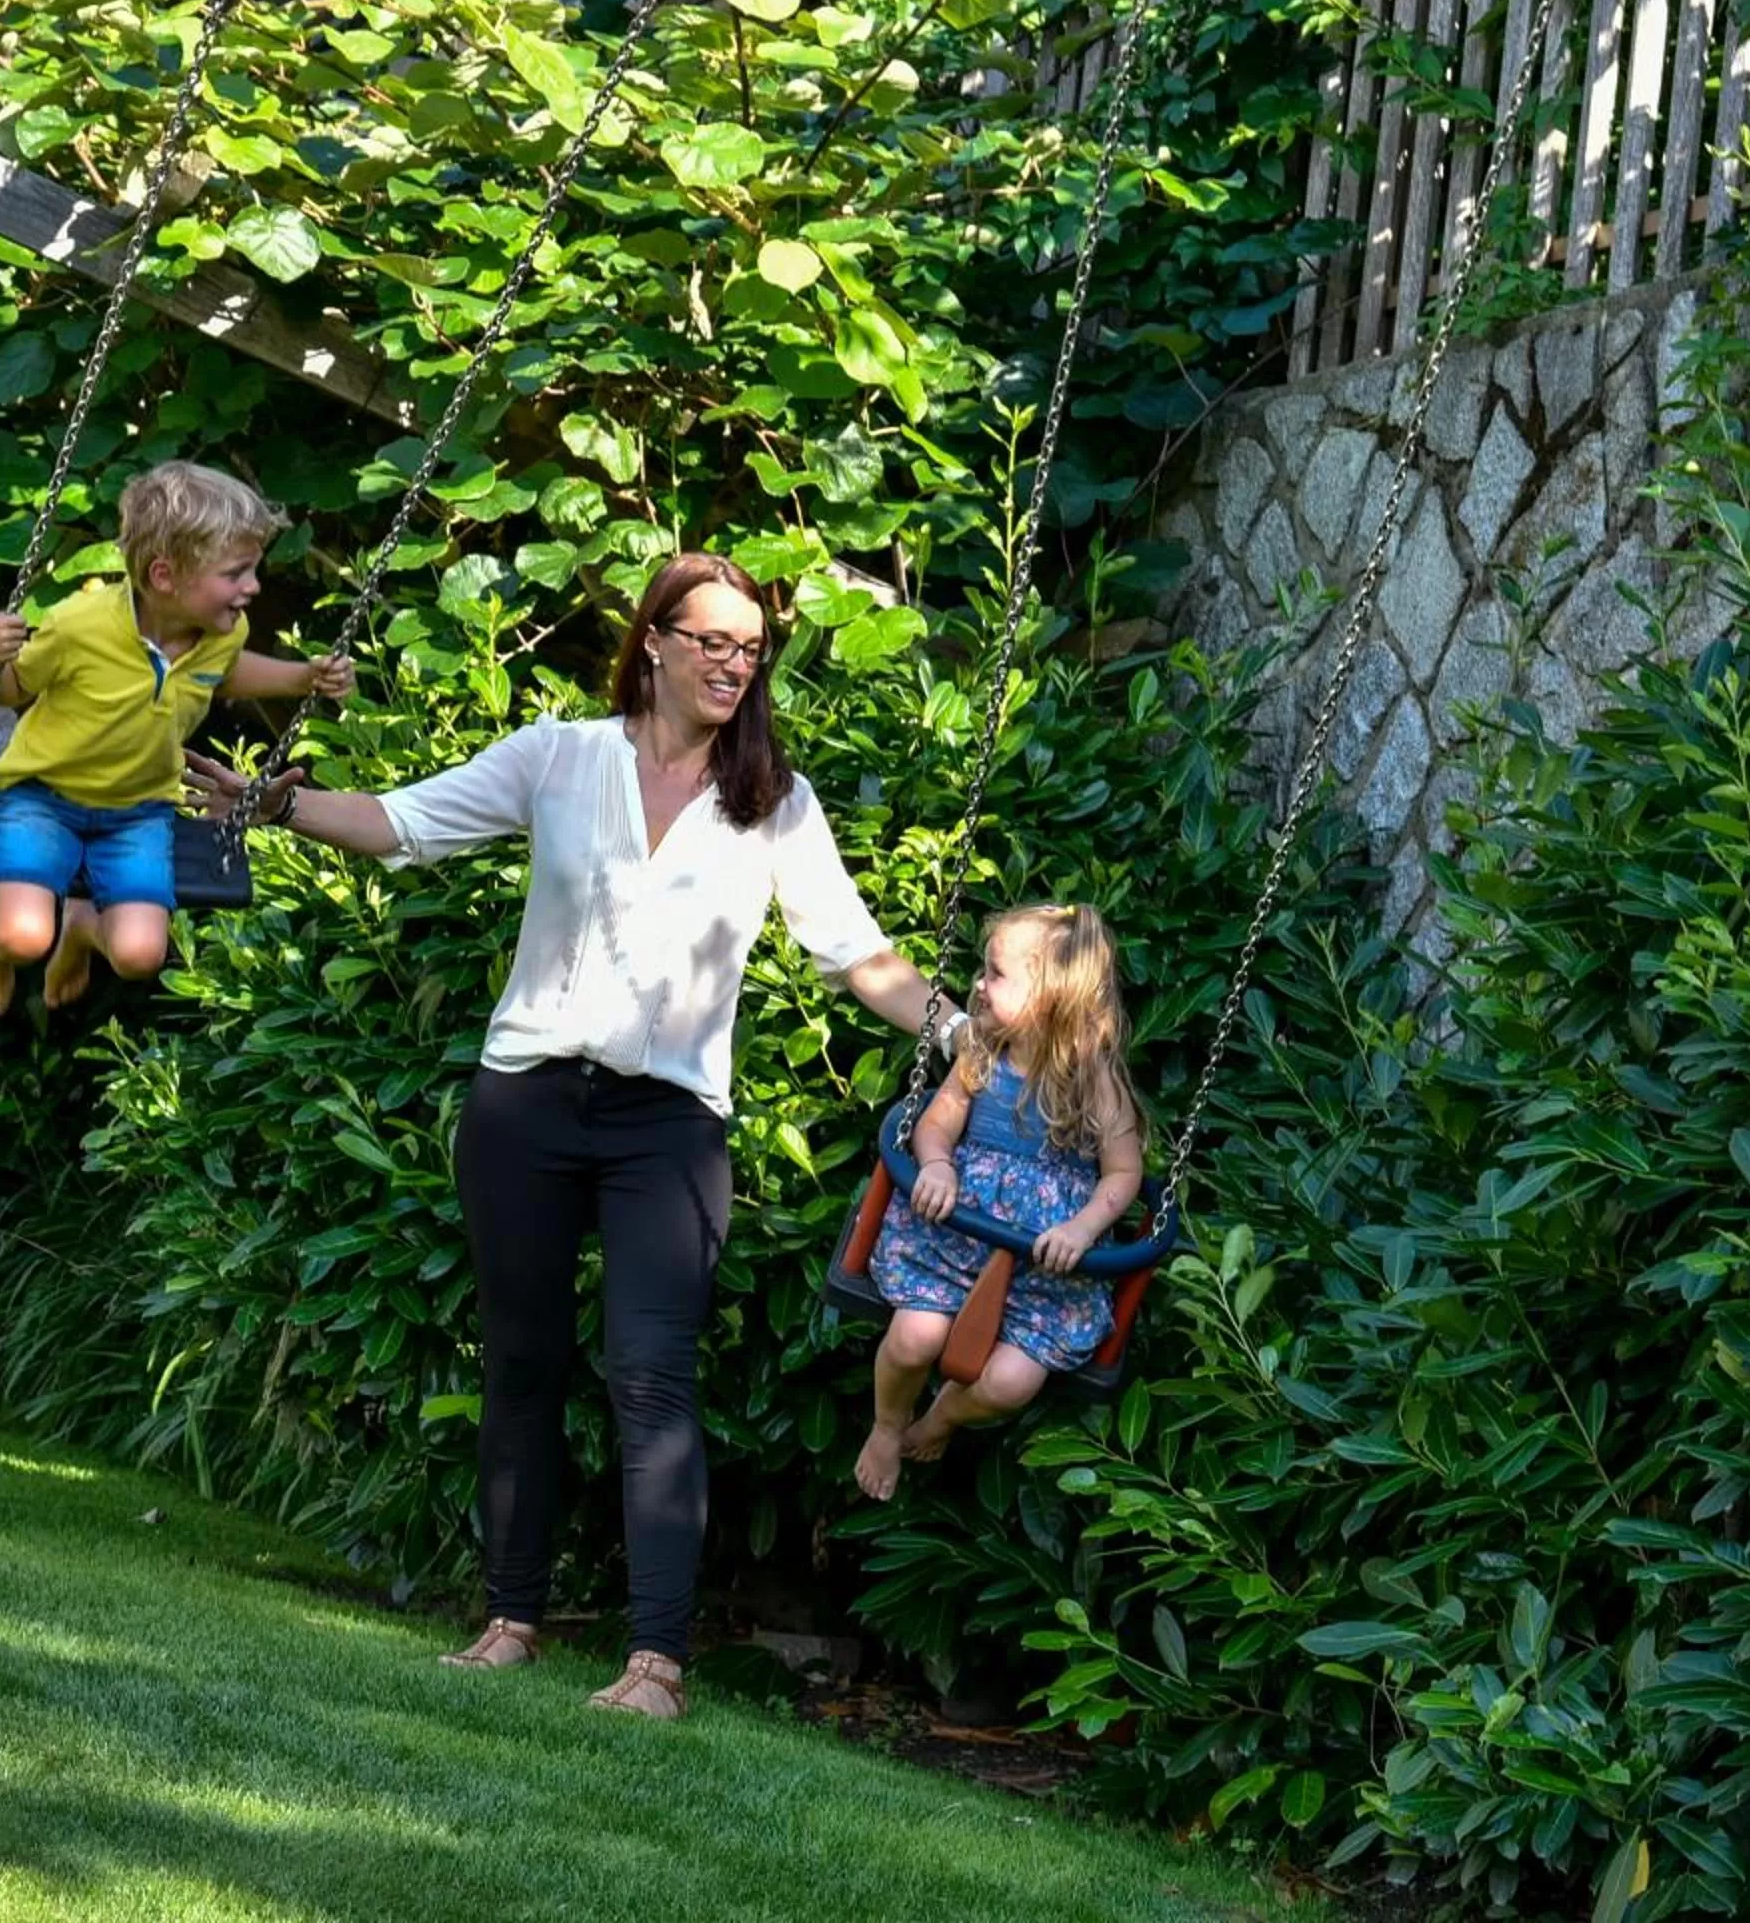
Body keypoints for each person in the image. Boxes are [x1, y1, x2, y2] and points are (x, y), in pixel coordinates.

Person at [185, 551, 960, 1721]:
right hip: (526, 1105)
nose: (733, 665)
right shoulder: (559, 754)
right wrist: (273, 800)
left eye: (751, 650)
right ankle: (509, 1620)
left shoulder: (771, 800)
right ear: (653, 640)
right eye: (712, 641)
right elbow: (403, 824)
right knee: (522, 1366)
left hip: (670, 1124)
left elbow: (858, 954)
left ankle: (656, 1663)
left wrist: (957, 1025)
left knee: (653, 1375)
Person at [0, 460, 352, 1013]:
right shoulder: (79, 624)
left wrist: (303, 677)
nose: (252, 587)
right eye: (236, 573)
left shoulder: (222, 631)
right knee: (22, 939)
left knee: (139, 954)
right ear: (165, 578)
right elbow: (15, 687)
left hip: (138, 812)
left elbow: (227, 674)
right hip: (42, 800)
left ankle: (80, 927)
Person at [852, 904, 1145, 1502]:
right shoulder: (981, 1054)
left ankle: (938, 1419)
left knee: (1011, 1383)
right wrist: (935, 1164)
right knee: (913, 1339)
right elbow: (934, 1127)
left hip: (1044, 1273)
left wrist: (1085, 1227)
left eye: (995, 974)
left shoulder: (1096, 1083)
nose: (977, 986)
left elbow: (1123, 1174)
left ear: (1051, 996)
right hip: (951, 1243)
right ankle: (887, 1425)